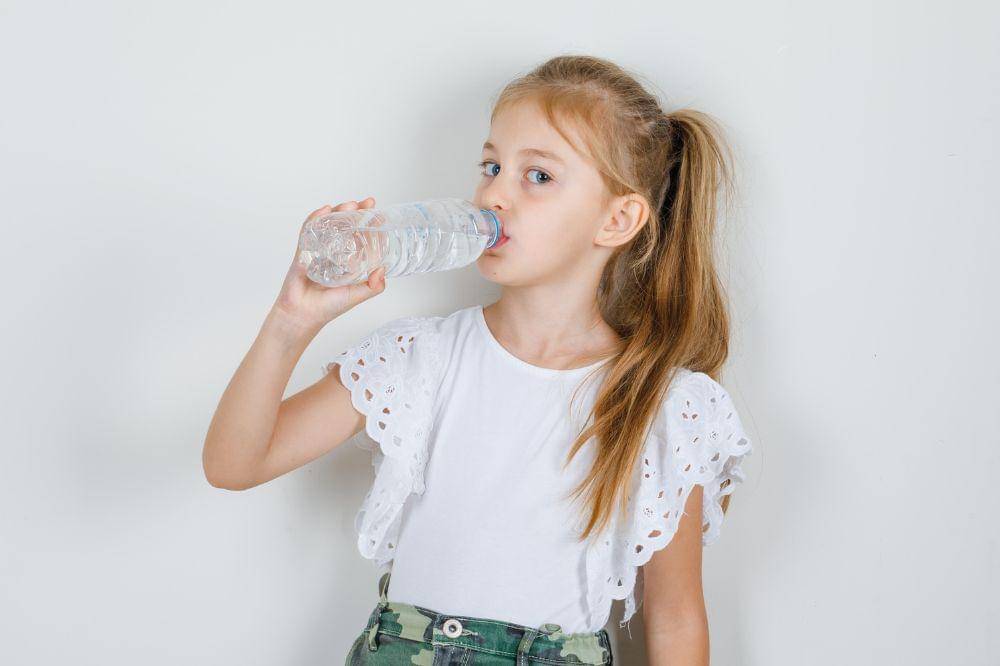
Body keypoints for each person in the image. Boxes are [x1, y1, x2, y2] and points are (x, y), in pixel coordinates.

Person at [203, 54, 754, 665]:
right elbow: (233, 464)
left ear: (617, 219)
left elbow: (675, 619)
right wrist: (291, 321)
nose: (494, 193)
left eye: (537, 176)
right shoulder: (420, 359)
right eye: (491, 166)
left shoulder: (665, 404)